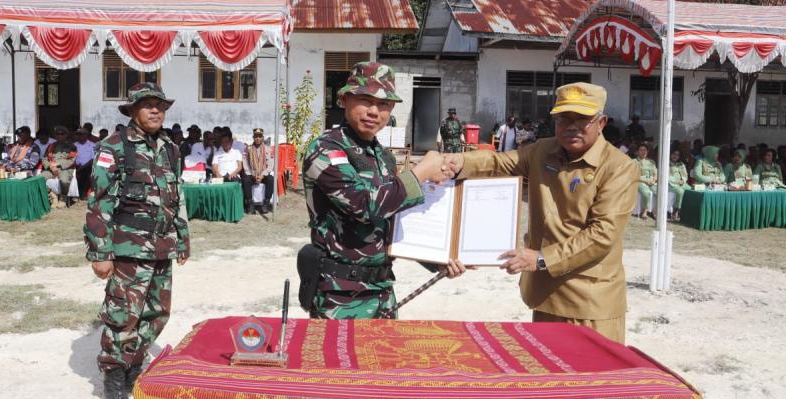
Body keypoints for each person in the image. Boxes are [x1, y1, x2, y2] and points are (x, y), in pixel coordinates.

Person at [444, 82, 639, 343]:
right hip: (545, 294)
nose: (571, 126)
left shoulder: (619, 167)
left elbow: (602, 235)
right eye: (563, 118)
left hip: (590, 300)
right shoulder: (542, 151)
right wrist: (457, 162)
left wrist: (540, 259)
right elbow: (498, 162)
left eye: (582, 119)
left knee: (589, 381)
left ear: (601, 122)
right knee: (547, 377)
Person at [301, 61, 462, 320]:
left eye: (384, 104)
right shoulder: (324, 150)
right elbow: (364, 206)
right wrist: (420, 172)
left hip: (382, 293)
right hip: (340, 296)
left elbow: (395, 218)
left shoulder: (383, 157)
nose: (374, 111)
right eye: (365, 100)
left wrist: (440, 258)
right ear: (344, 99)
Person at [84, 82, 189, 399]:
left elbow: (177, 197)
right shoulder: (114, 147)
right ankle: (113, 379)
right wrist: (100, 253)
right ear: (132, 111)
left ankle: (133, 368)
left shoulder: (170, 148)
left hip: (162, 247)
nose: (156, 110)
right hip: (128, 249)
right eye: (147, 105)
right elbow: (99, 203)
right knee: (123, 316)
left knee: (157, 313)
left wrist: (182, 239)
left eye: (160, 104)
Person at [41, 126, 78, 208]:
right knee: (40, 178)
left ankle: (63, 198)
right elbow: (44, 158)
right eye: (57, 134)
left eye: (62, 134)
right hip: (51, 168)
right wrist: (50, 166)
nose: (59, 136)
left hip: (65, 168)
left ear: (66, 135)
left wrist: (57, 164)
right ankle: (52, 195)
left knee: (64, 181)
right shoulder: (51, 146)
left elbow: (71, 160)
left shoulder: (72, 147)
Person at [247, 127, 274, 214]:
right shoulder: (248, 149)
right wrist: (253, 175)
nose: (258, 138)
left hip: (263, 174)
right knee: (245, 180)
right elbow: (245, 164)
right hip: (252, 174)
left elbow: (270, 165)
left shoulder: (268, 149)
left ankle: (266, 203)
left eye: (259, 136)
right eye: (256, 136)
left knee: (271, 179)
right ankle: (250, 203)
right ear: (253, 137)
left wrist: (262, 175)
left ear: (262, 137)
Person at [634, 143, 657, 219]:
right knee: (646, 192)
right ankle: (644, 211)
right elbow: (633, 175)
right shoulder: (634, 161)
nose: (643, 152)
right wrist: (645, 180)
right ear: (637, 152)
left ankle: (654, 212)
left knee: (659, 191)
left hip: (651, 181)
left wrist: (654, 180)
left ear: (647, 152)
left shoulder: (651, 162)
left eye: (645, 150)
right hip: (639, 181)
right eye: (641, 150)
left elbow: (656, 173)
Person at [668, 148, 690, 222]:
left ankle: (686, 212)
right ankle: (675, 211)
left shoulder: (681, 164)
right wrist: (676, 181)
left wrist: (683, 181)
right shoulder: (666, 162)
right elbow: (666, 176)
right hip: (670, 184)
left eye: (677, 155)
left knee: (691, 190)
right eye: (674, 154)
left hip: (681, 183)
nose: (675, 156)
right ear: (670, 154)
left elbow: (685, 175)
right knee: (680, 191)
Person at [74, 128, 97, 198]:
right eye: (78, 134)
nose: (79, 136)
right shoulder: (74, 145)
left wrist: (80, 168)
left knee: (85, 174)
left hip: (88, 167)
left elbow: (92, 160)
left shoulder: (92, 145)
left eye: (81, 134)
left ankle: (83, 193)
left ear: (86, 135)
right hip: (76, 166)